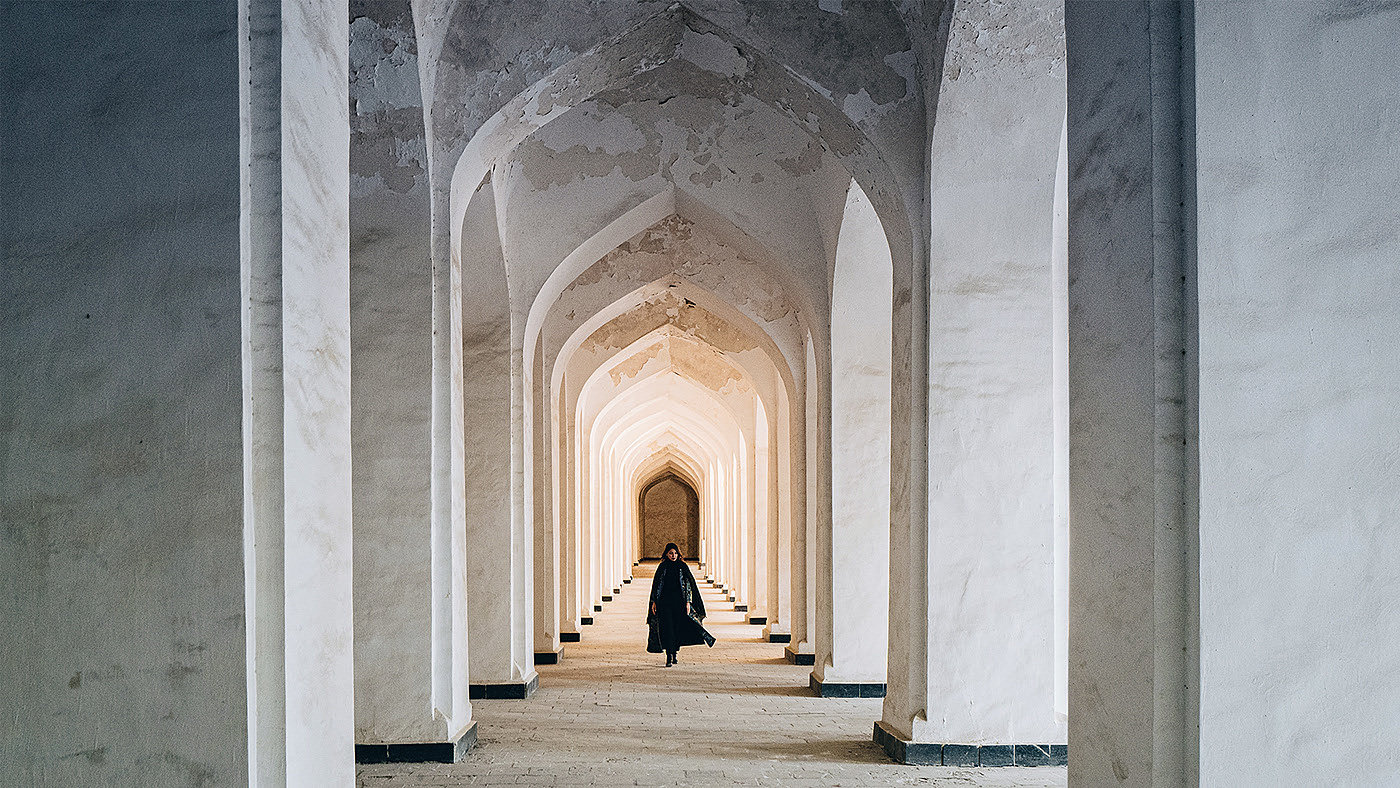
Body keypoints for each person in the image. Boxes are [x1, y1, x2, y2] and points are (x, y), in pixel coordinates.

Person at [647, 542, 715, 666]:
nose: (673, 556)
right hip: (665, 603)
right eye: (671, 553)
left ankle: (674, 653)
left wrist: (688, 602)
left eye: (675, 553)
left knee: (677, 628)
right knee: (668, 628)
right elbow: (656, 586)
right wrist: (654, 602)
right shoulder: (662, 567)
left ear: (678, 554)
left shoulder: (682, 567)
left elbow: (689, 585)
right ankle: (668, 655)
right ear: (666, 554)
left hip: (679, 603)